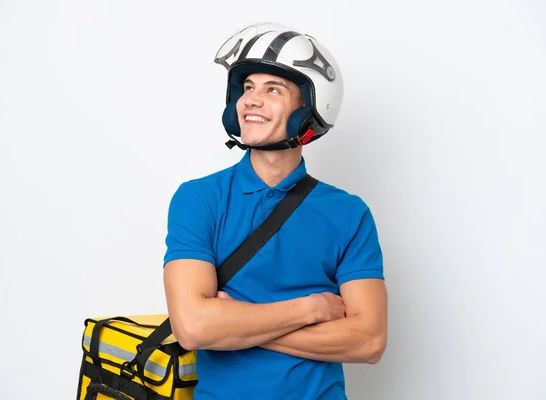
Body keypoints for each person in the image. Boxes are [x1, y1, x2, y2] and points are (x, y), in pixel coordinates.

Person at [163, 22, 387, 400]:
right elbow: (193, 328)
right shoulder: (198, 198)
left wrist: (237, 324)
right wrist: (313, 308)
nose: (251, 99)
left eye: (273, 89)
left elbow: (370, 341)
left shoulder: (349, 213)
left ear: (310, 109)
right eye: (247, 88)